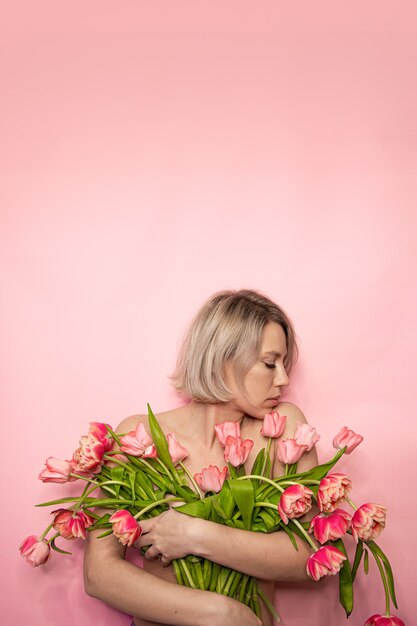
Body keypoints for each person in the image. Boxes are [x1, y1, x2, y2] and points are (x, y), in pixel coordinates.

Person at [84, 289, 318, 626]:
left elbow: (313, 556)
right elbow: (99, 573)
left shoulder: (281, 429)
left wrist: (195, 534)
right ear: (224, 359)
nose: (282, 379)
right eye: (270, 363)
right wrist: (223, 613)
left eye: (284, 363)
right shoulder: (139, 436)